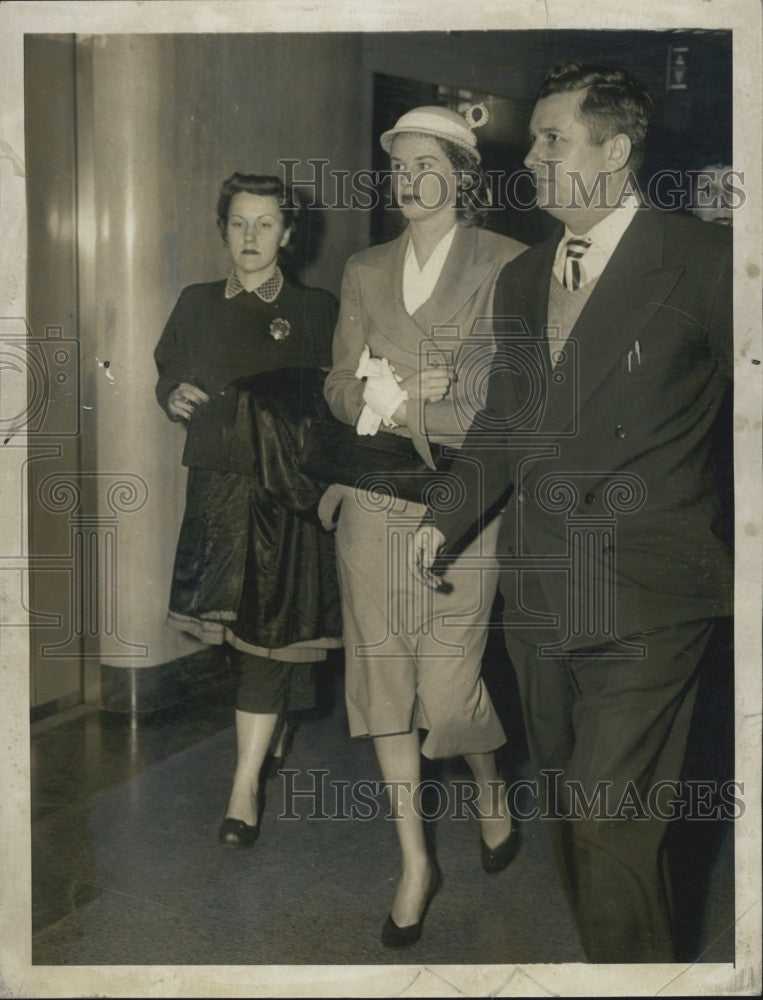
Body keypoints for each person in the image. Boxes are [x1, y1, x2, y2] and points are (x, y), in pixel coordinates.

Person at [415, 63, 733, 963]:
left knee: (606, 821)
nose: (533, 161)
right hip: (545, 594)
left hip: (650, 594)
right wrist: (446, 518)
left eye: (552, 141)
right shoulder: (521, 282)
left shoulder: (703, 261)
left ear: (617, 150)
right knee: (572, 813)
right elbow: (504, 424)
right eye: (532, 145)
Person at [322, 105, 526, 948]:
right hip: (373, 499)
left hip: (464, 504)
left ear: (462, 173)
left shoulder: (507, 263)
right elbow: (335, 383)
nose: (406, 181)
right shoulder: (364, 268)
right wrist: (370, 393)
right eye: (397, 167)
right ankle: (414, 863)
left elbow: (511, 402)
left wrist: (436, 395)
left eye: (423, 165)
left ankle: (488, 781)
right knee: (383, 685)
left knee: (446, 692)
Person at [155, 173, 342, 849]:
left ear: (288, 235)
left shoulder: (317, 308)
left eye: (265, 224)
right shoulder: (196, 302)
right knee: (243, 638)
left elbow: (335, 402)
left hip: (281, 497)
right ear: (223, 229)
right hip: (215, 490)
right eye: (238, 223)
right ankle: (275, 728)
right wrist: (170, 392)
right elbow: (168, 370)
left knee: (269, 636)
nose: (251, 238)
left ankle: (242, 790)